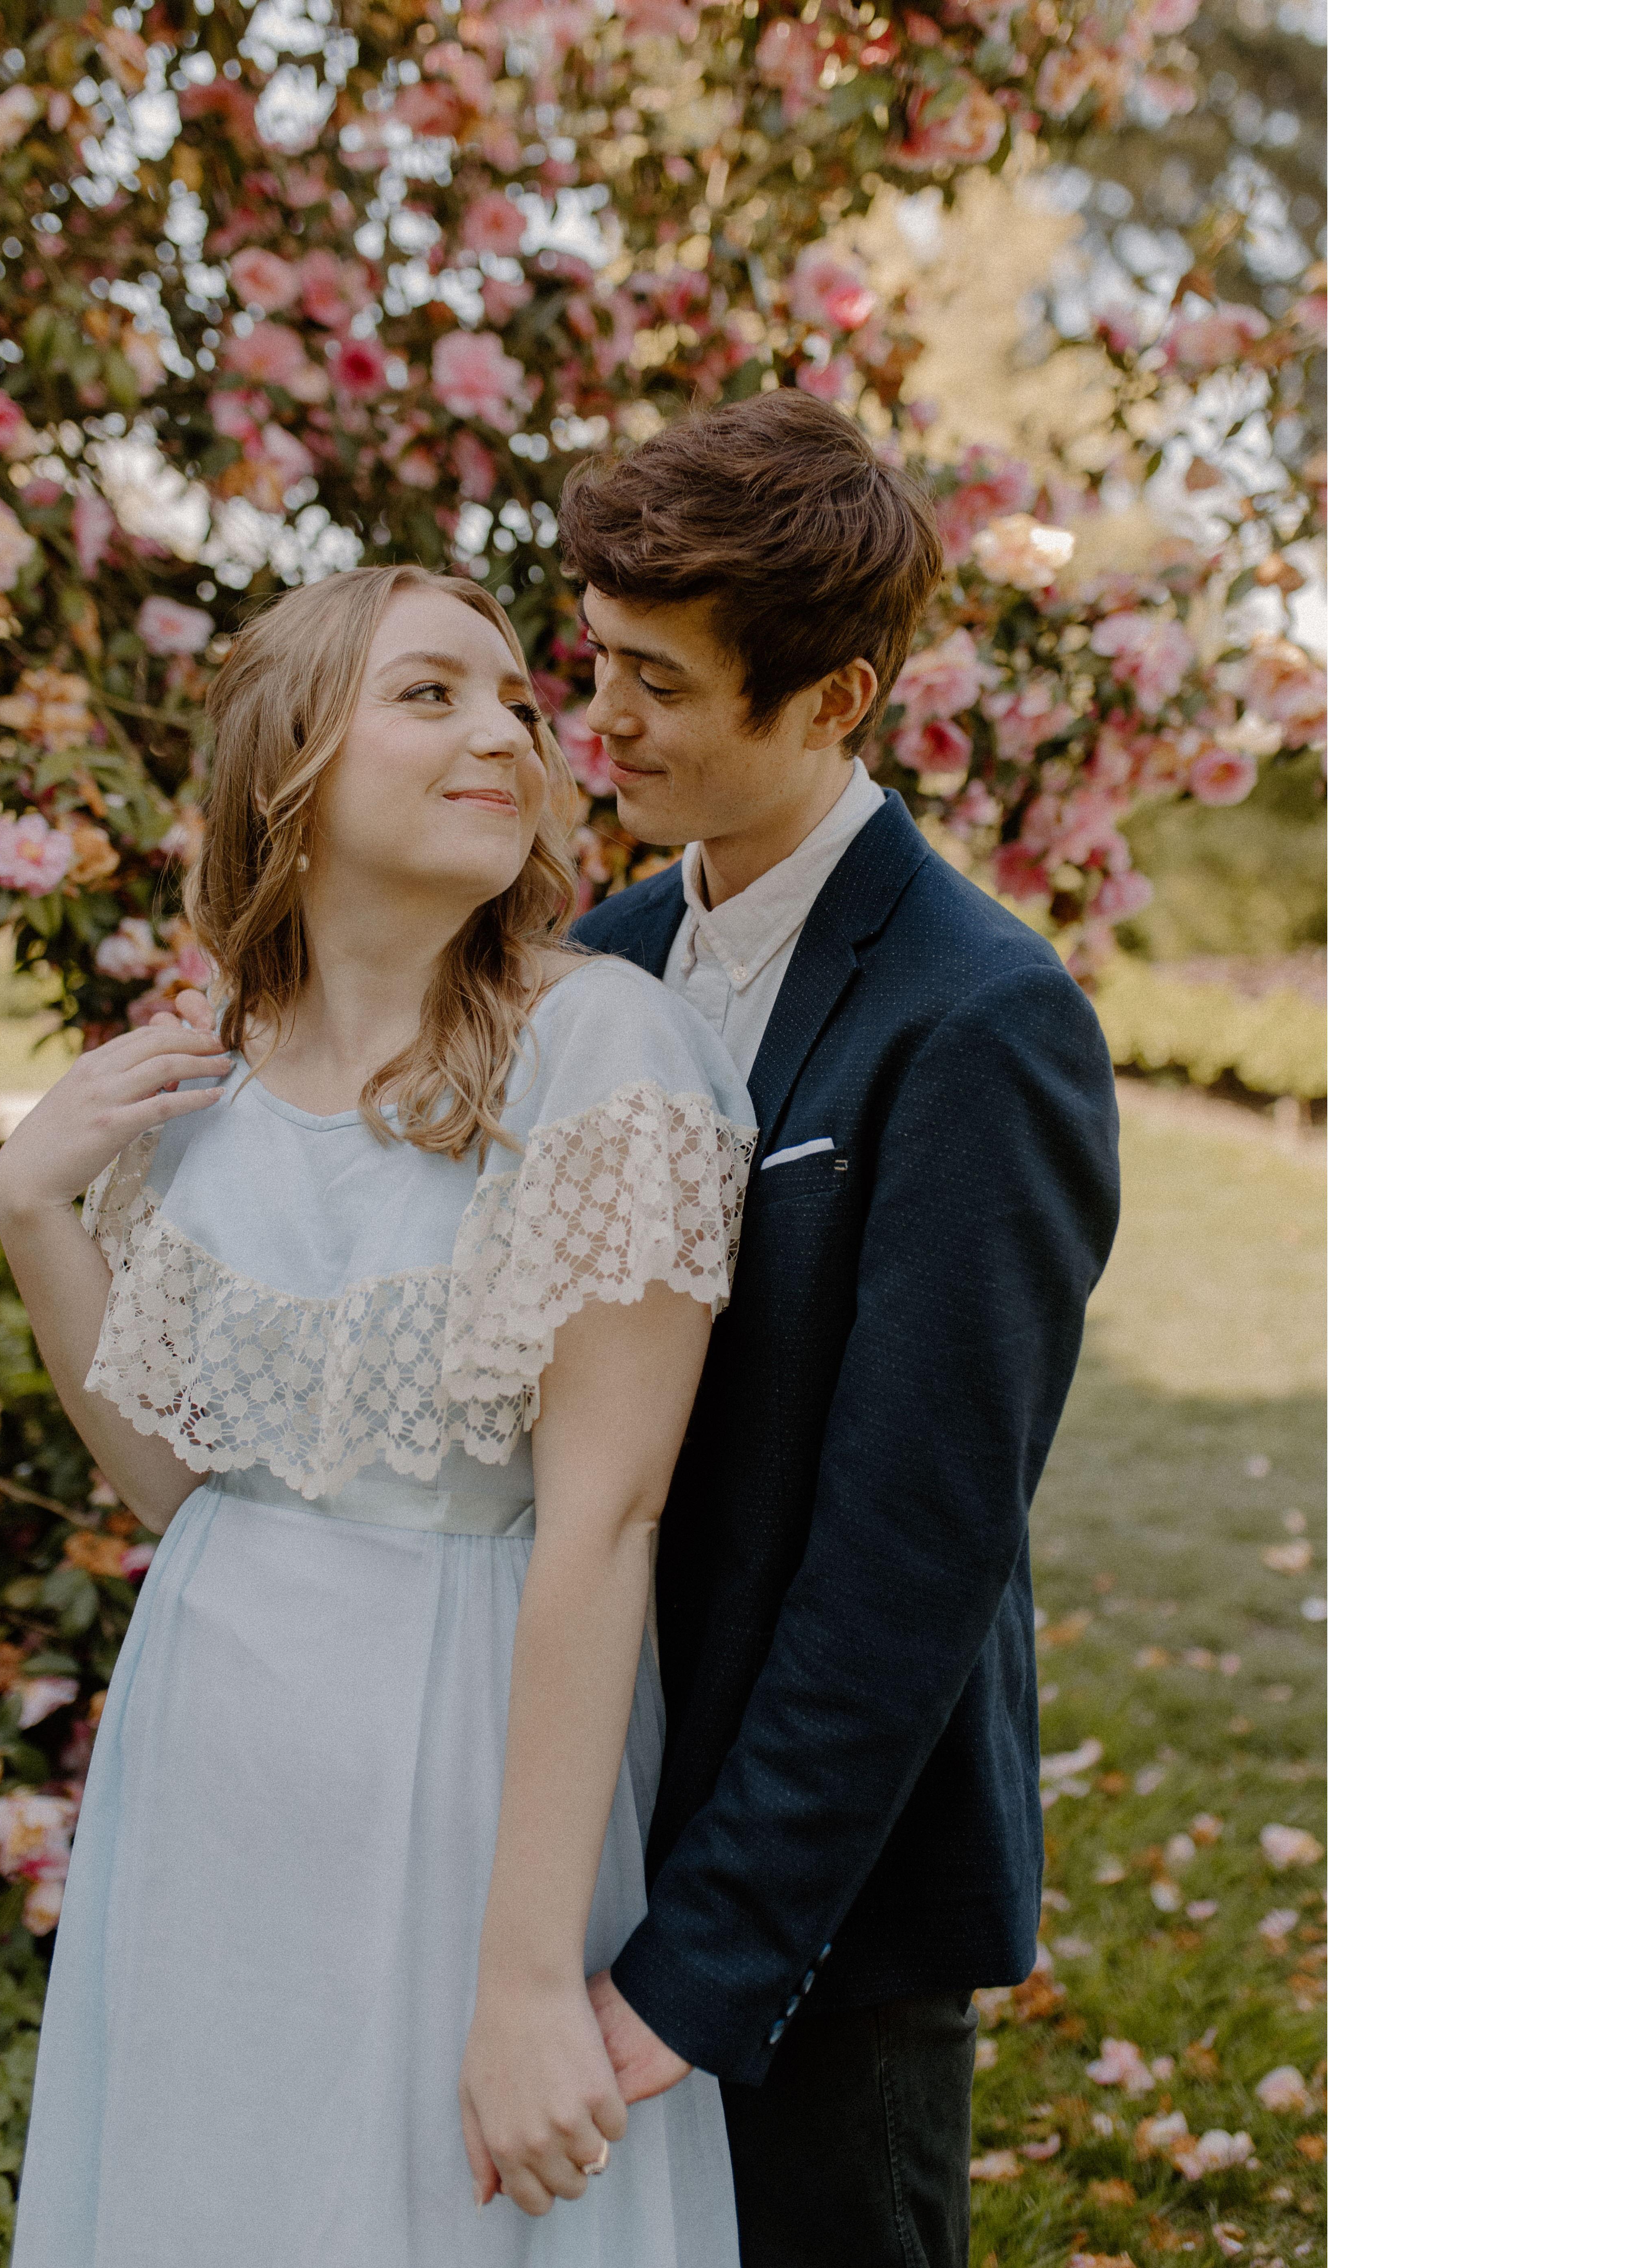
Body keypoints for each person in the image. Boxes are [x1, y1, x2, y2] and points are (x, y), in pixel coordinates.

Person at [0, 565, 753, 2265]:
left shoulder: (602, 1057)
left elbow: (607, 1520)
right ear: (291, 762)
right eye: (430, 694)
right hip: (210, 1764)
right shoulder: (204, 1088)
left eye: (518, 706)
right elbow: (191, 1495)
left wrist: (525, 1981)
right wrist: (38, 1209)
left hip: (468, 1772)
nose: (504, 730)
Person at [562, 390, 1123, 2268]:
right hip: (598, 1802)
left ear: (835, 702)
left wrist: (708, 1956)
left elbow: (914, 1553)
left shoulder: (982, 1021)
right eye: (596, 662)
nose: (601, 721)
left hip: (820, 1902)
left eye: (657, 682)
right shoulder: (608, 954)